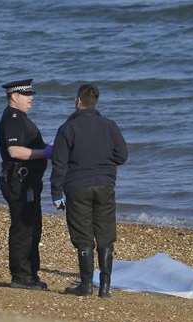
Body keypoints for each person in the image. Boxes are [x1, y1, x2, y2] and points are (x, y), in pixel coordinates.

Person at [50, 84, 128, 297]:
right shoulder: (109, 126)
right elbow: (122, 156)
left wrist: (56, 194)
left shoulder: (67, 128)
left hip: (77, 187)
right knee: (105, 235)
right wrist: (103, 163)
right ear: (95, 102)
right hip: (104, 185)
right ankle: (104, 287)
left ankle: (85, 285)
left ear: (77, 102)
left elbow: (59, 164)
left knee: (83, 236)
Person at [0, 79, 53, 290]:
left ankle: (30, 273)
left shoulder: (21, 118)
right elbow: (15, 151)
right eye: (27, 94)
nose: (31, 98)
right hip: (19, 181)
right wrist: (45, 153)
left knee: (32, 225)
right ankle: (21, 276)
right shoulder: (13, 118)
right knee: (23, 226)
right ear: (14, 96)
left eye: (31, 94)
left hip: (27, 181)